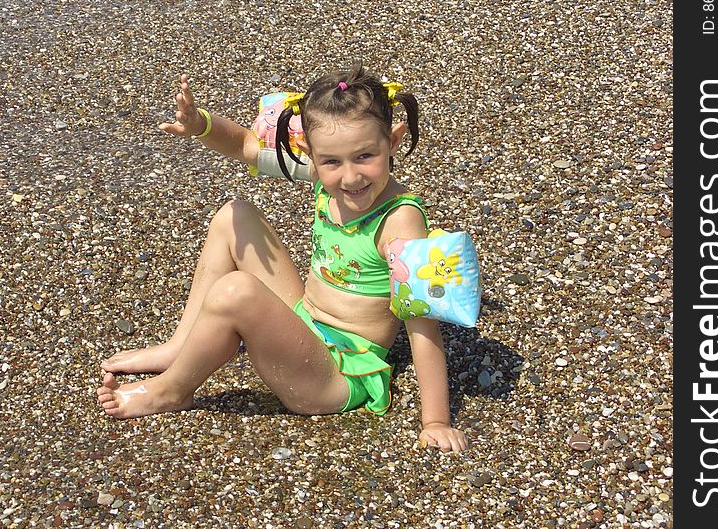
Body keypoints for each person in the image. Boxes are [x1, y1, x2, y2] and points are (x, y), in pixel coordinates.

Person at [96, 62, 468, 452]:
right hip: (306, 321)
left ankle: (171, 391)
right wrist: (200, 124)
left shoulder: (399, 222)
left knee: (236, 291)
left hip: (337, 375)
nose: (351, 177)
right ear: (310, 152)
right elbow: (245, 146)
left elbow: (422, 324)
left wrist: (436, 421)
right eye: (331, 162)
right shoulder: (331, 174)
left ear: (392, 141)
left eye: (365, 157)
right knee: (234, 216)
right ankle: (181, 345)